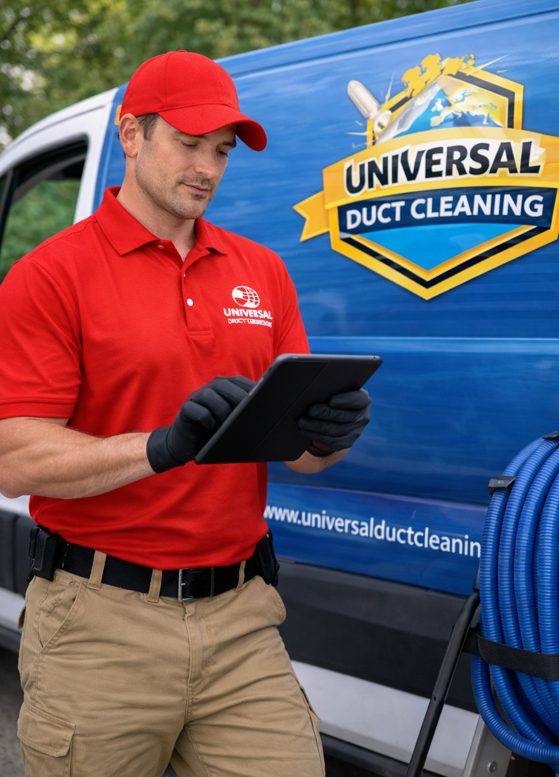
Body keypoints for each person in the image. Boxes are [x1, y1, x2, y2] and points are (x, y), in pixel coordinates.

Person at [0, 51, 371, 777]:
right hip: (98, 621)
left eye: (222, 151)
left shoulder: (260, 269)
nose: (207, 166)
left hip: (241, 616)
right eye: (188, 143)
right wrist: (162, 446)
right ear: (132, 135)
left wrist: (329, 435)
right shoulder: (50, 274)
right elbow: (15, 459)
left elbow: (297, 452)